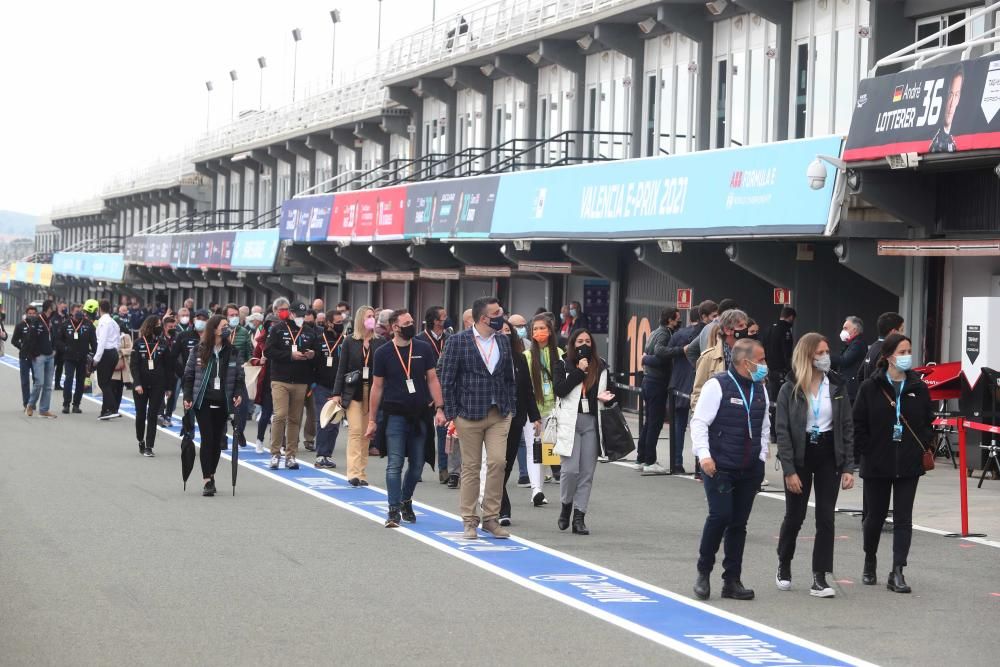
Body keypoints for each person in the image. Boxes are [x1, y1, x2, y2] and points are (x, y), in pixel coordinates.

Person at [774, 333, 855, 597]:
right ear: (808, 355)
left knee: (826, 518)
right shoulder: (790, 388)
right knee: (795, 516)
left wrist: (847, 467)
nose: (826, 356)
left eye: (827, 351)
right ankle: (784, 563)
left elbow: (846, 427)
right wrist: (789, 470)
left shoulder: (837, 386)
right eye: (820, 352)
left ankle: (820, 577)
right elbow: (783, 431)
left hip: (828, 453)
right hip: (801, 453)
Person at [690, 338, 770, 601]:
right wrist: (704, 456)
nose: (764, 365)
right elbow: (700, 422)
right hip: (720, 466)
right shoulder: (718, 385)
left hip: (749, 468)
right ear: (745, 361)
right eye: (760, 360)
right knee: (720, 516)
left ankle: (732, 580)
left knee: (739, 523)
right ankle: (704, 571)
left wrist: (762, 456)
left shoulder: (760, 388)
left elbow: (764, 424)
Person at [853, 333, 932, 593]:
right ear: (887, 356)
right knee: (874, 517)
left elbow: (927, 422)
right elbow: (859, 424)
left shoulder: (918, 387)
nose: (907, 355)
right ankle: (869, 558)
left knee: (903, 518)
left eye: (909, 350)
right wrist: (867, 451)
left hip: (909, 462)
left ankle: (898, 570)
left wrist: (922, 446)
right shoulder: (870, 387)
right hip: (877, 462)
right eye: (902, 351)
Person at [438, 296, 516, 540]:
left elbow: (509, 377)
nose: (501, 316)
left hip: (499, 413)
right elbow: (446, 377)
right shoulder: (458, 341)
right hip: (468, 413)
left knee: (497, 463)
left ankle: (491, 517)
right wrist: (451, 412)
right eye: (497, 313)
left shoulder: (502, 341)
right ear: (484, 318)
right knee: (471, 467)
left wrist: (510, 407)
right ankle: (469, 520)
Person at [366, 309, 447, 527]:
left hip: (420, 414)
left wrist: (440, 408)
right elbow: (377, 386)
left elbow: (432, 379)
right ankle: (393, 510)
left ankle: (406, 499)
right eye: (406, 322)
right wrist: (372, 419)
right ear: (394, 327)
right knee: (395, 462)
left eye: (412, 321)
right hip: (394, 415)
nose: (411, 325)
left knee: (417, 464)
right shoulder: (383, 352)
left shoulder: (423, 347)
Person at [552, 328, 616, 535]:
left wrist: (610, 398)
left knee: (587, 473)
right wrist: (579, 371)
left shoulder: (602, 366)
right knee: (570, 470)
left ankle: (579, 516)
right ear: (572, 344)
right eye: (579, 341)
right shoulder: (562, 363)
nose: (584, 345)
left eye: (587, 341)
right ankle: (566, 505)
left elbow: (613, 393)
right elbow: (559, 390)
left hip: (591, 423)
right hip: (570, 422)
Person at [183, 314, 245, 496]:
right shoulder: (198, 350)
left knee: (218, 441)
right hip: (203, 400)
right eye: (223, 325)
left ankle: (212, 473)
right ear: (214, 328)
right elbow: (188, 375)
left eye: (228, 325)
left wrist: (238, 393)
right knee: (207, 439)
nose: (227, 328)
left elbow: (239, 377)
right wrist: (187, 395)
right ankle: (207, 480)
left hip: (223, 401)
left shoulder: (232, 351)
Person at [332, 305, 385, 486]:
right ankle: (353, 473)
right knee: (355, 431)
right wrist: (336, 393)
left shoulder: (380, 342)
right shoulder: (349, 341)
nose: (372, 319)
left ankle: (362, 473)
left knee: (366, 434)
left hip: (372, 393)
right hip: (353, 392)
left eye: (374, 316)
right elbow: (341, 369)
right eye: (369, 316)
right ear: (361, 319)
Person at [265, 300, 318, 471]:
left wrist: (312, 354)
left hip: (301, 380)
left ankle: (291, 455)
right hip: (280, 379)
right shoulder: (278, 329)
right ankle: (275, 453)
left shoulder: (309, 332)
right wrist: (290, 355)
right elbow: (268, 351)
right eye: (298, 315)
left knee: (295, 419)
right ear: (291, 313)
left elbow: (317, 354)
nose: (301, 318)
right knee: (280, 415)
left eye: (304, 316)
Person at [666, 301, 718, 474]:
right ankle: (698, 467)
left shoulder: (679, 334)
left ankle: (677, 462)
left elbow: (667, 352)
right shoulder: (709, 332)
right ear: (703, 317)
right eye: (713, 316)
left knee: (680, 424)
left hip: (681, 383)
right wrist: (700, 367)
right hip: (698, 383)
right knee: (701, 424)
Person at [499, 319, 542, 525]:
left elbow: (527, 390)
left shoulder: (519, 358)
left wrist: (534, 416)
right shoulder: (486, 358)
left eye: (509, 330)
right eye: (501, 330)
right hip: (494, 417)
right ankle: (501, 506)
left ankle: (495, 496)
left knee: (506, 463)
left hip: (517, 416)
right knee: (496, 462)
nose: (505, 334)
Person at [636, 307, 682, 475]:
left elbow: (650, 355)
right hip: (656, 383)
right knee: (654, 424)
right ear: (670, 319)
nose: (679, 321)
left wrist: (645, 359)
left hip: (649, 382)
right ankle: (649, 461)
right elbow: (659, 354)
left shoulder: (656, 332)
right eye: (677, 318)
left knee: (649, 423)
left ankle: (641, 458)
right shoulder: (663, 334)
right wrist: (680, 350)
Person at [524, 314, 563, 493]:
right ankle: (536, 490)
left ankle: (544, 482)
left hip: (554, 410)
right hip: (533, 411)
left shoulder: (560, 353)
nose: (539, 332)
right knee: (534, 448)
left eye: (542, 328)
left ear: (550, 331)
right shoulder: (527, 356)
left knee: (550, 450)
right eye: (535, 329)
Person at [130, 315, 174, 457]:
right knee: (141, 415)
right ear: (150, 326)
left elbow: (169, 367)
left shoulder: (162, 344)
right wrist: (137, 383)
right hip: (141, 385)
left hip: (158, 385)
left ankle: (149, 446)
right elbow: (134, 365)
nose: (159, 327)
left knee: (153, 415)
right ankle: (140, 440)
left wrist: (169, 387)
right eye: (157, 324)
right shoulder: (138, 343)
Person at [416, 305, 450, 482]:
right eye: (443, 317)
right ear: (435, 321)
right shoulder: (419, 340)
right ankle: (417, 467)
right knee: (423, 431)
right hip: (424, 392)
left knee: (444, 432)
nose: (446, 319)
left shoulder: (450, 339)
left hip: (445, 391)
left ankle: (444, 469)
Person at [691, 309, 750, 411]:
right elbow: (698, 392)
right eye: (740, 326)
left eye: (745, 325)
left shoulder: (751, 355)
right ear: (727, 330)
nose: (745, 329)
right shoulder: (708, 358)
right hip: (716, 418)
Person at [312, 309, 347, 468]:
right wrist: (312, 384)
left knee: (335, 421)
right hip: (321, 386)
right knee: (323, 419)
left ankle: (327, 454)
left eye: (342, 322)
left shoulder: (345, 340)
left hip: (338, 388)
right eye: (338, 323)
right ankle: (320, 455)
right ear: (328, 323)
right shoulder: (318, 340)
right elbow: (311, 365)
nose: (341, 325)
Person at [54, 304, 97, 414]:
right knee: (68, 379)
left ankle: (76, 404)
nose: (79, 313)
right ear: (72, 312)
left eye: (81, 311)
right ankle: (66, 404)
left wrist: (93, 355)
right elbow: (57, 340)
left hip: (83, 357)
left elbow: (94, 342)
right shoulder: (65, 324)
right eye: (77, 311)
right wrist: (65, 348)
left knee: (80, 381)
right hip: (69, 357)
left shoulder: (89, 325)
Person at [24, 299, 58, 418]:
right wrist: (35, 354)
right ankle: (30, 405)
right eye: (53, 305)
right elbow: (31, 338)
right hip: (39, 356)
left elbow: (54, 336)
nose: (55, 307)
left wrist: (54, 350)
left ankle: (44, 409)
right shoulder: (37, 320)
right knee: (39, 383)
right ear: (49, 307)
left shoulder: (51, 321)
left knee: (48, 385)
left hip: (50, 356)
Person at [93, 300, 124, 420]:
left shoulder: (103, 322)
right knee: (107, 381)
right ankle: (105, 410)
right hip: (113, 353)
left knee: (103, 383)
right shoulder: (113, 322)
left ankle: (112, 408)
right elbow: (117, 340)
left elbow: (102, 341)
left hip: (105, 353)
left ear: (100, 308)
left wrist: (96, 358)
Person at [858, 312, 904, 384]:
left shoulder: (873, 347)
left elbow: (860, 375)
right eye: (901, 330)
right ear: (893, 332)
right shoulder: (888, 351)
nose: (903, 334)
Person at [764, 307, 796, 402]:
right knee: (782, 397)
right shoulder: (785, 331)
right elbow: (787, 352)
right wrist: (788, 368)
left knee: (772, 396)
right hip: (781, 370)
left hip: (769, 370)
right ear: (791, 317)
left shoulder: (769, 329)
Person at [831, 316, 866, 402]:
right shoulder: (851, 344)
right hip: (847, 387)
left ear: (854, 330)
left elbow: (845, 360)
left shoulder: (858, 343)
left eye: (845, 328)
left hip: (852, 389)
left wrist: (826, 357)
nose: (843, 331)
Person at [929, 67, 963, 153]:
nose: (951, 104)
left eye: (956, 95)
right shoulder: (934, 141)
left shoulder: (956, 139)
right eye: (950, 95)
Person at [11, 305, 38, 409]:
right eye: (29, 313)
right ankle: (26, 402)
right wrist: (22, 346)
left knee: (37, 381)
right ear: (26, 314)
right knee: (25, 381)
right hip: (24, 357)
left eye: (33, 313)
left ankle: (33, 402)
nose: (31, 315)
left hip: (36, 357)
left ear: (36, 314)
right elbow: (14, 340)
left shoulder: (39, 325)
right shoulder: (20, 325)